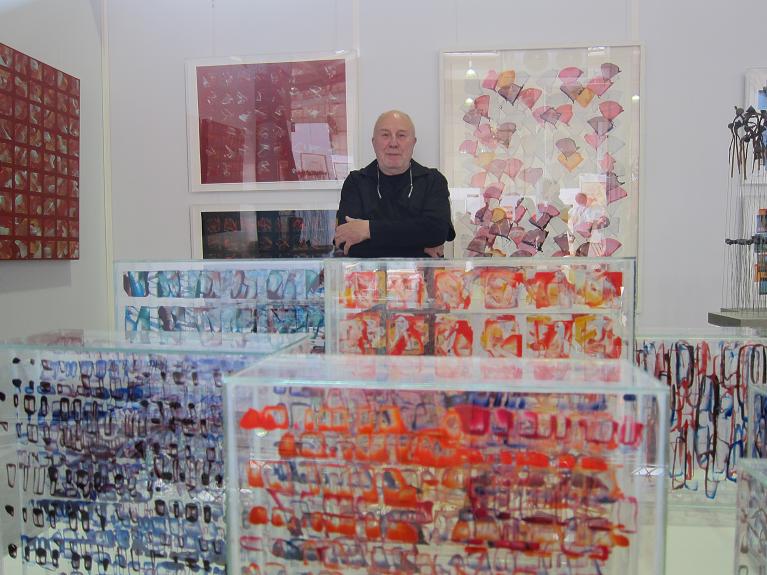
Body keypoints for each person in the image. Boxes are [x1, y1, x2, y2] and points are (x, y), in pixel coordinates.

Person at [334, 110, 455, 257]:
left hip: (422, 273)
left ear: (413, 142)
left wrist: (368, 229)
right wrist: (419, 247)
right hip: (369, 273)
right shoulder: (356, 182)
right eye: (385, 135)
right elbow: (349, 245)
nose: (393, 143)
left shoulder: (433, 180)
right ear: (374, 142)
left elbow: (437, 232)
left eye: (401, 135)